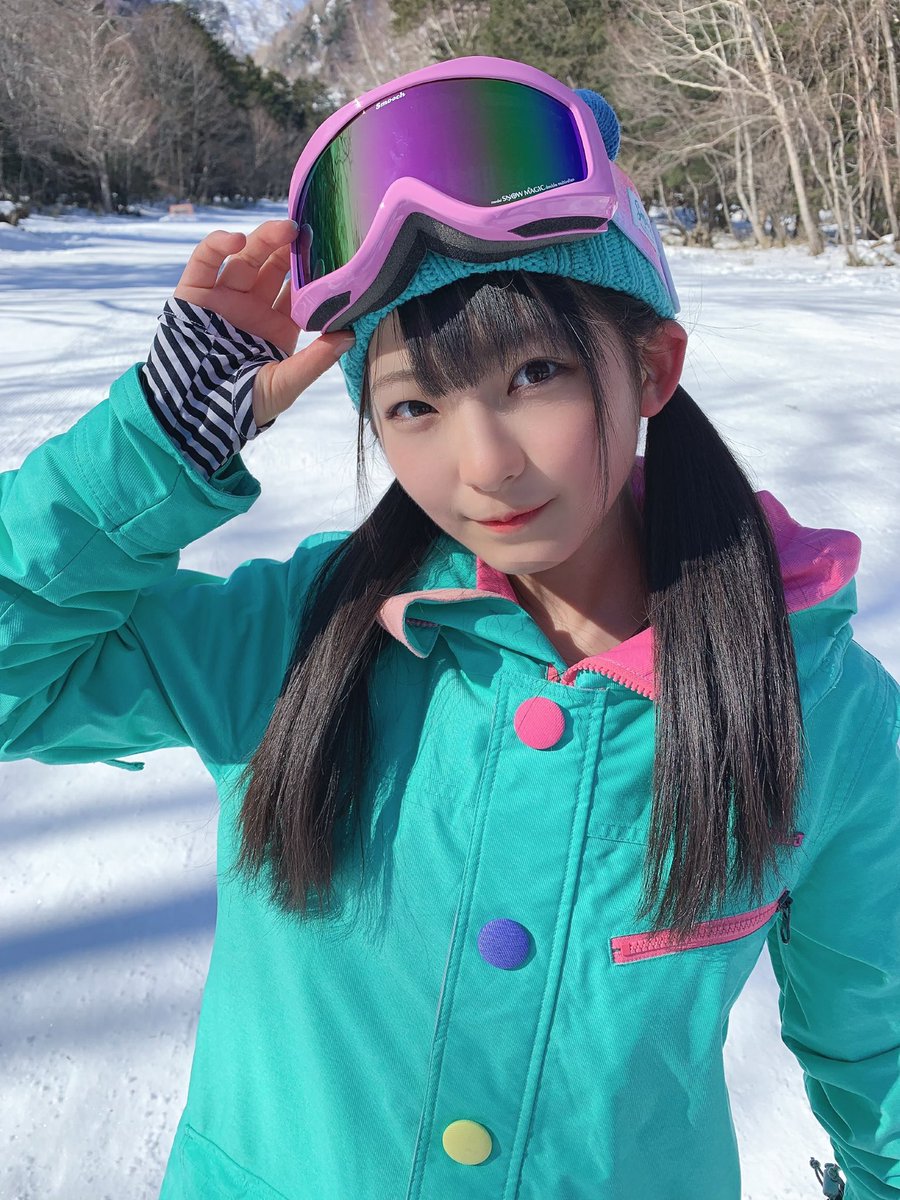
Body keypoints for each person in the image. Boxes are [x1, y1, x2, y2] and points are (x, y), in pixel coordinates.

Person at [1, 55, 897, 1200]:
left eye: (535, 374)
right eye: (414, 404)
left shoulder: (822, 707)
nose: (484, 465)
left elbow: (880, 1051)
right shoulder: (300, 637)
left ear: (652, 368)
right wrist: (160, 439)